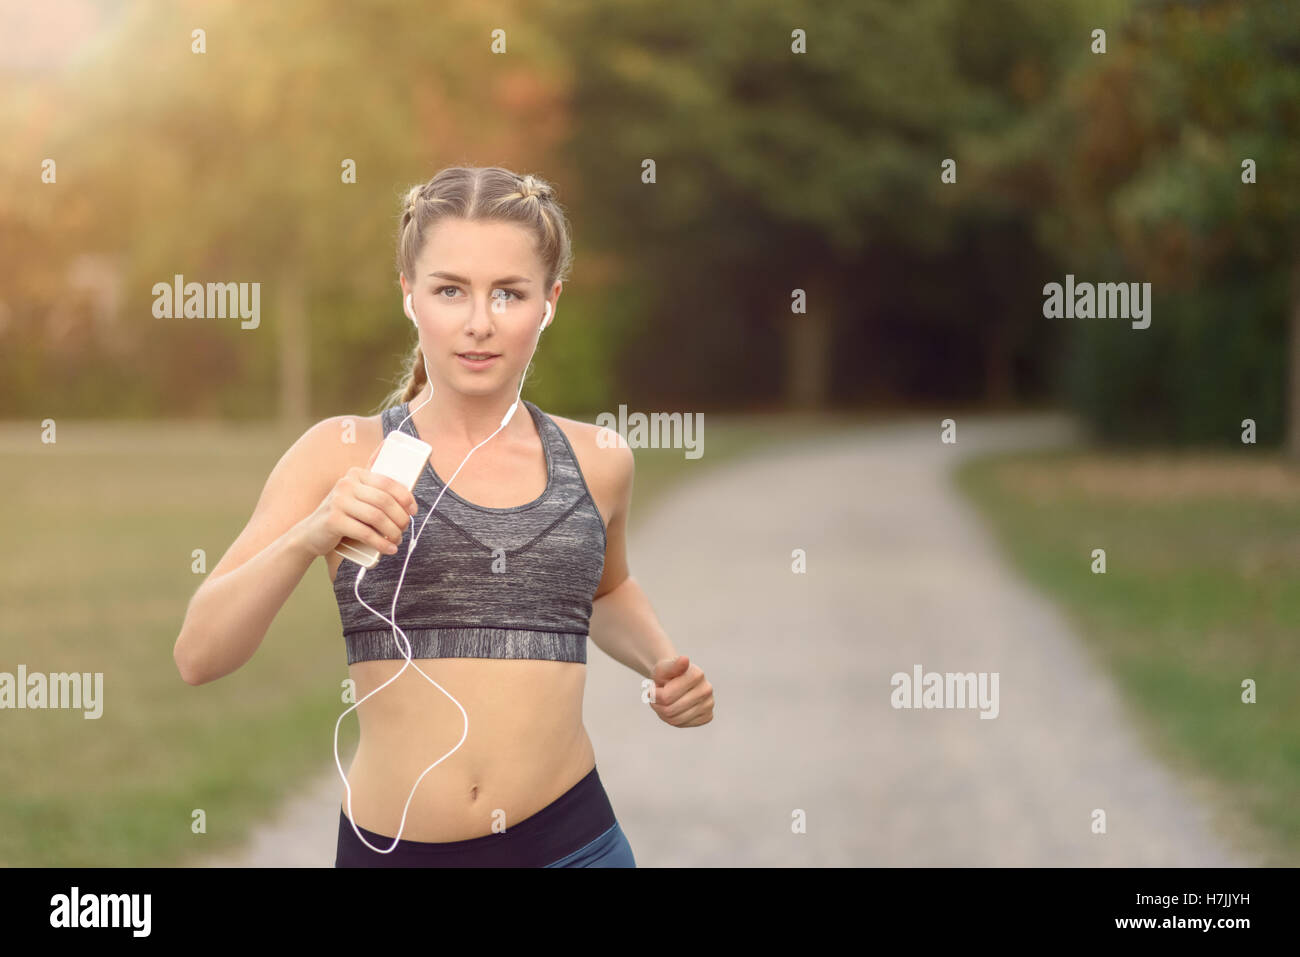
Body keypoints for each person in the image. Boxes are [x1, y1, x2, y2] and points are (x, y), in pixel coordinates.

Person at [172, 165, 715, 867]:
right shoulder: (340, 454)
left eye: (509, 293)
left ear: (549, 302)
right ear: (409, 294)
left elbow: (603, 589)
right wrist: (311, 536)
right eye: (450, 289)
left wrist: (663, 663)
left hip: (573, 846)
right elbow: (198, 654)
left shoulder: (600, 459)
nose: (479, 322)